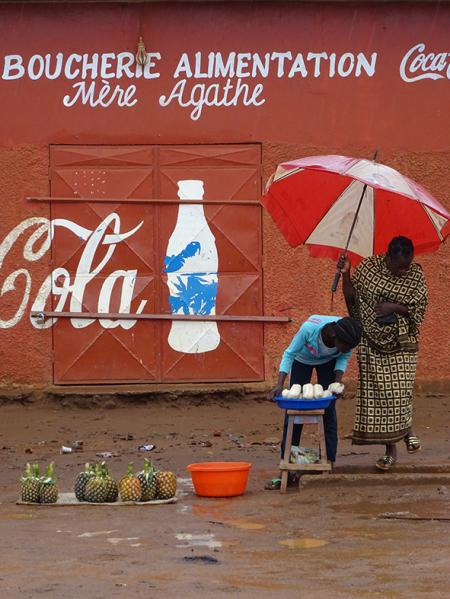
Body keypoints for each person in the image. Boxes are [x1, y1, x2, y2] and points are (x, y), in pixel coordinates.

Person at [338, 236, 428, 471]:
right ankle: (391, 450)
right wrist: (346, 273)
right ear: (387, 257)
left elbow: (419, 310)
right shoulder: (367, 269)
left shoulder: (415, 275)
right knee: (380, 398)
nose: (402, 271)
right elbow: (352, 300)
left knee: (400, 391)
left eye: (406, 266)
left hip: (403, 343)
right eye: (398, 266)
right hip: (371, 341)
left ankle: (406, 430)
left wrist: (394, 307)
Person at [265, 315, 362, 489]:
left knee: (328, 410)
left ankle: (329, 461)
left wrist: (337, 382)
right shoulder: (309, 329)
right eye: (344, 346)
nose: (347, 350)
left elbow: (343, 357)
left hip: (327, 364)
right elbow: (289, 354)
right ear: (334, 338)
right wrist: (279, 385)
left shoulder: (348, 334)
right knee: (294, 409)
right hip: (302, 361)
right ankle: (287, 465)